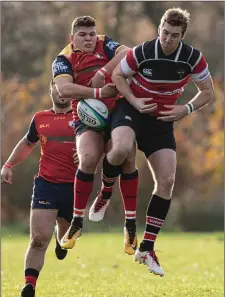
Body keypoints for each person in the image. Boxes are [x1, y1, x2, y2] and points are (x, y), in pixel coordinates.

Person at [99, 7, 214, 276]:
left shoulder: (192, 58)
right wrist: (135, 100)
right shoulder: (142, 51)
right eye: (164, 32)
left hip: (161, 121)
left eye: (174, 35)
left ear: (182, 35)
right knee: (122, 149)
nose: (167, 39)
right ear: (159, 28)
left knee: (166, 181)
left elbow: (207, 91)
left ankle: (147, 247)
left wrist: (186, 109)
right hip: (132, 111)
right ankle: (105, 191)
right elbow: (117, 75)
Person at [52, 16, 138, 255]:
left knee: (127, 156)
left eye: (91, 33)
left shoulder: (104, 43)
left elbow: (129, 53)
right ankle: (77, 223)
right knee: (88, 158)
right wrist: (98, 92)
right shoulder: (63, 58)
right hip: (88, 116)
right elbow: (64, 89)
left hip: (117, 110)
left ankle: (129, 224)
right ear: (72, 38)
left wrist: (103, 70)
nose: (89, 39)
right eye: (82, 35)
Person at [1, 79, 78, 297]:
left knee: (66, 238)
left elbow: (100, 143)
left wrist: (89, 156)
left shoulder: (84, 116)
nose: (62, 93)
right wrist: (8, 165)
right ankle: (29, 285)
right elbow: (27, 143)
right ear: (51, 89)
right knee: (37, 239)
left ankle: (60, 240)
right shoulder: (40, 118)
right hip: (46, 184)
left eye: (67, 89)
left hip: (75, 186)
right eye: (58, 88)